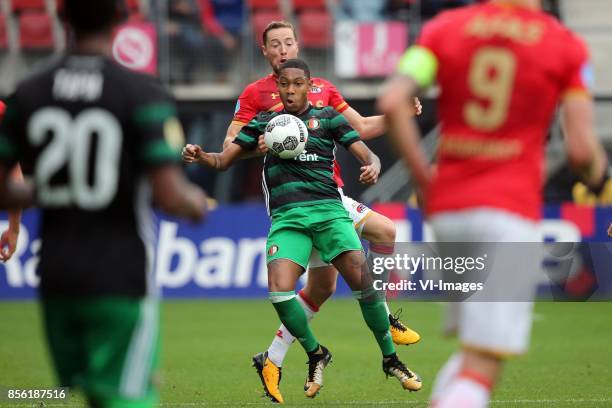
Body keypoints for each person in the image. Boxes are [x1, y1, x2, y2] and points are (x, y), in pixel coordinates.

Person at [378, 0, 608, 407]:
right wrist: (601, 176)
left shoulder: (444, 29)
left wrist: (424, 179)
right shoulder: (565, 45)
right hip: (507, 210)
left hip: (448, 208)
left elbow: (394, 100)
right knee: (484, 364)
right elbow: (580, 152)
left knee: (473, 351)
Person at [0, 1, 208, 406]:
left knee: (93, 394)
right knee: (127, 397)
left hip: (56, 277)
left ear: (62, 18)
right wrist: (196, 202)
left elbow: (5, 189)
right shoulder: (141, 92)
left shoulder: (28, 94)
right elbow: (170, 195)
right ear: (120, 19)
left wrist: (58, 186)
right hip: (120, 275)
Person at [184, 58, 422, 403]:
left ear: (309, 86)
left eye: (298, 84)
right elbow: (223, 160)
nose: (291, 90)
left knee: (361, 281)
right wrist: (201, 154)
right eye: (285, 84)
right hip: (288, 217)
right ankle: (315, 352)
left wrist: (372, 164)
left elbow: (367, 153)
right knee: (279, 291)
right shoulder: (266, 123)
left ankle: (390, 359)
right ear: (278, 87)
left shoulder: (328, 118)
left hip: (328, 212)